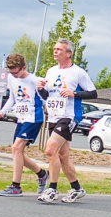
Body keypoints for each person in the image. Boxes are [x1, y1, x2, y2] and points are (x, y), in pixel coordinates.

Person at [37, 39, 97, 204]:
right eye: (54, 49)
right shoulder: (50, 71)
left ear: (68, 53)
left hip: (70, 116)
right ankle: (77, 188)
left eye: (59, 50)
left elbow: (93, 93)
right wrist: (40, 89)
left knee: (50, 149)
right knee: (62, 155)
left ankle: (52, 189)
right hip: (54, 115)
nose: (55, 51)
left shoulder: (78, 72)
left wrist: (74, 94)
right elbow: (47, 97)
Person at [0, 53, 48, 196]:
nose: (13, 75)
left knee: (16, 148)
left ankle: (15, 186)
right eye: (10, 72)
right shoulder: (12, 79)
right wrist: (2, 112)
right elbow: (13, 98)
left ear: (23, 68)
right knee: (17, 152)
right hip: (21, 118)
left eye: (15, 72)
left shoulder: (35, 81)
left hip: (33, 118)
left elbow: (45, 99)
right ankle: (42, 174)